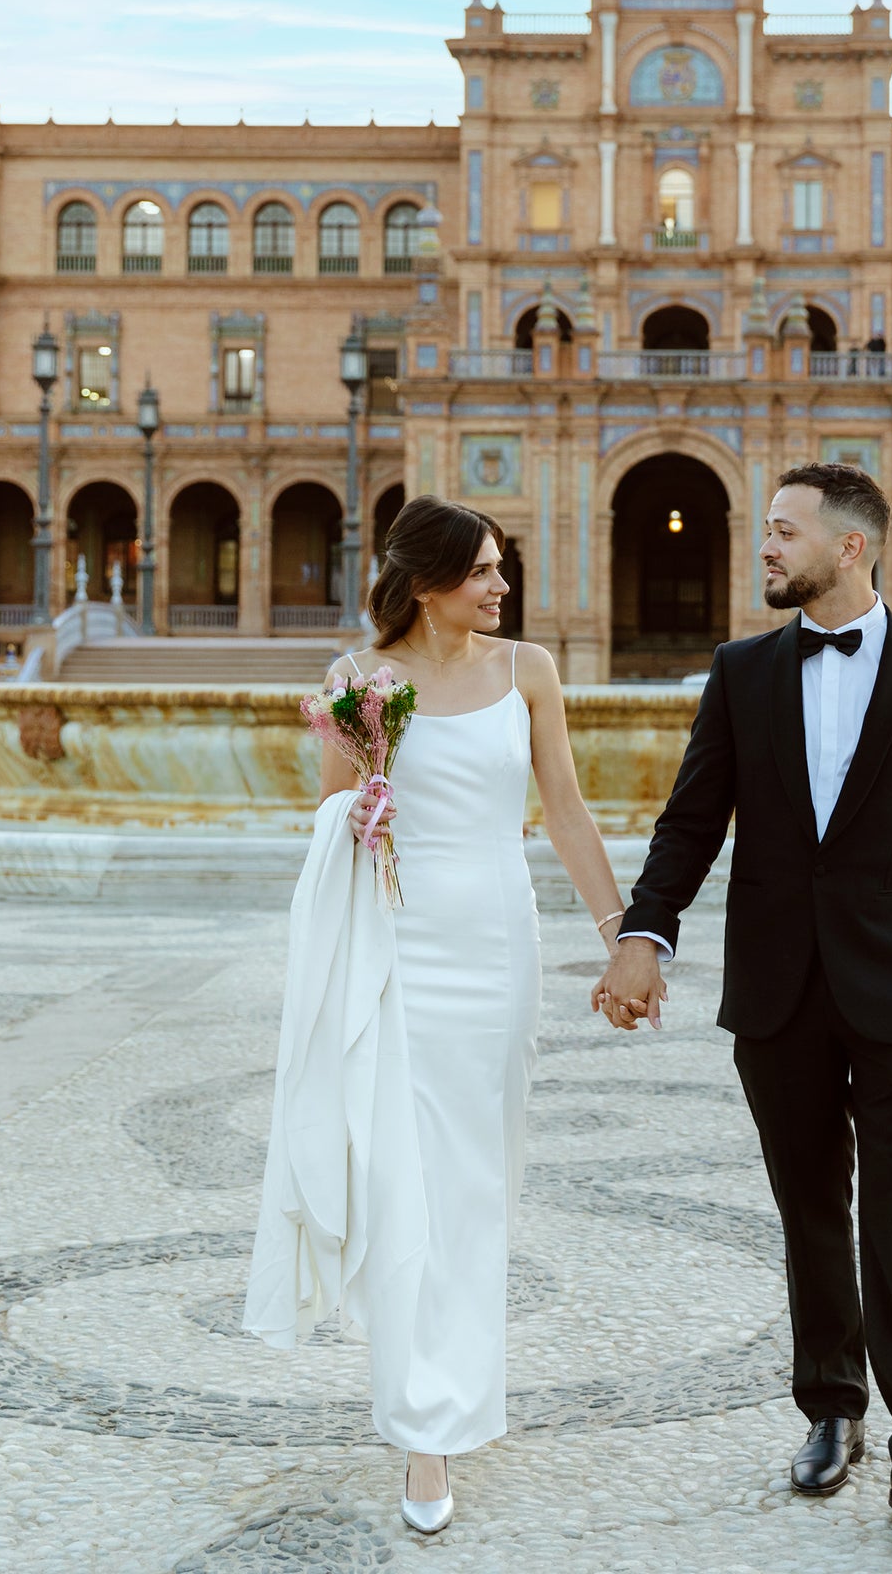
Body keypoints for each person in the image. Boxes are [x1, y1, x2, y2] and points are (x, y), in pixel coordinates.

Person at [594, 462, 892, 1534]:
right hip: (775, 993)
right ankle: (831, 1408)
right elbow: (690, 820)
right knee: (808, 1215)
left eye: (783, 531)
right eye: (766, 532)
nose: (765, 548)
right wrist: (644, 932)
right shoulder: (739, 672)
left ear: (850, 546)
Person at [246, 495, 626, 1535]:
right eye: (481, 572)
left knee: (472, 1181)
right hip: (398, 948)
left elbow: (564, 807)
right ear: (422, 582)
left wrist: (622, 933)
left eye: (502, 568)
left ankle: (449, 1399)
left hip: (495, 948)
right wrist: (360, 796)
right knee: (402, 1178)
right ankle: (425, 1429)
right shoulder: (357, 683)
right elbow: (333, 820)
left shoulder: (529, 672)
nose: (500, 587)